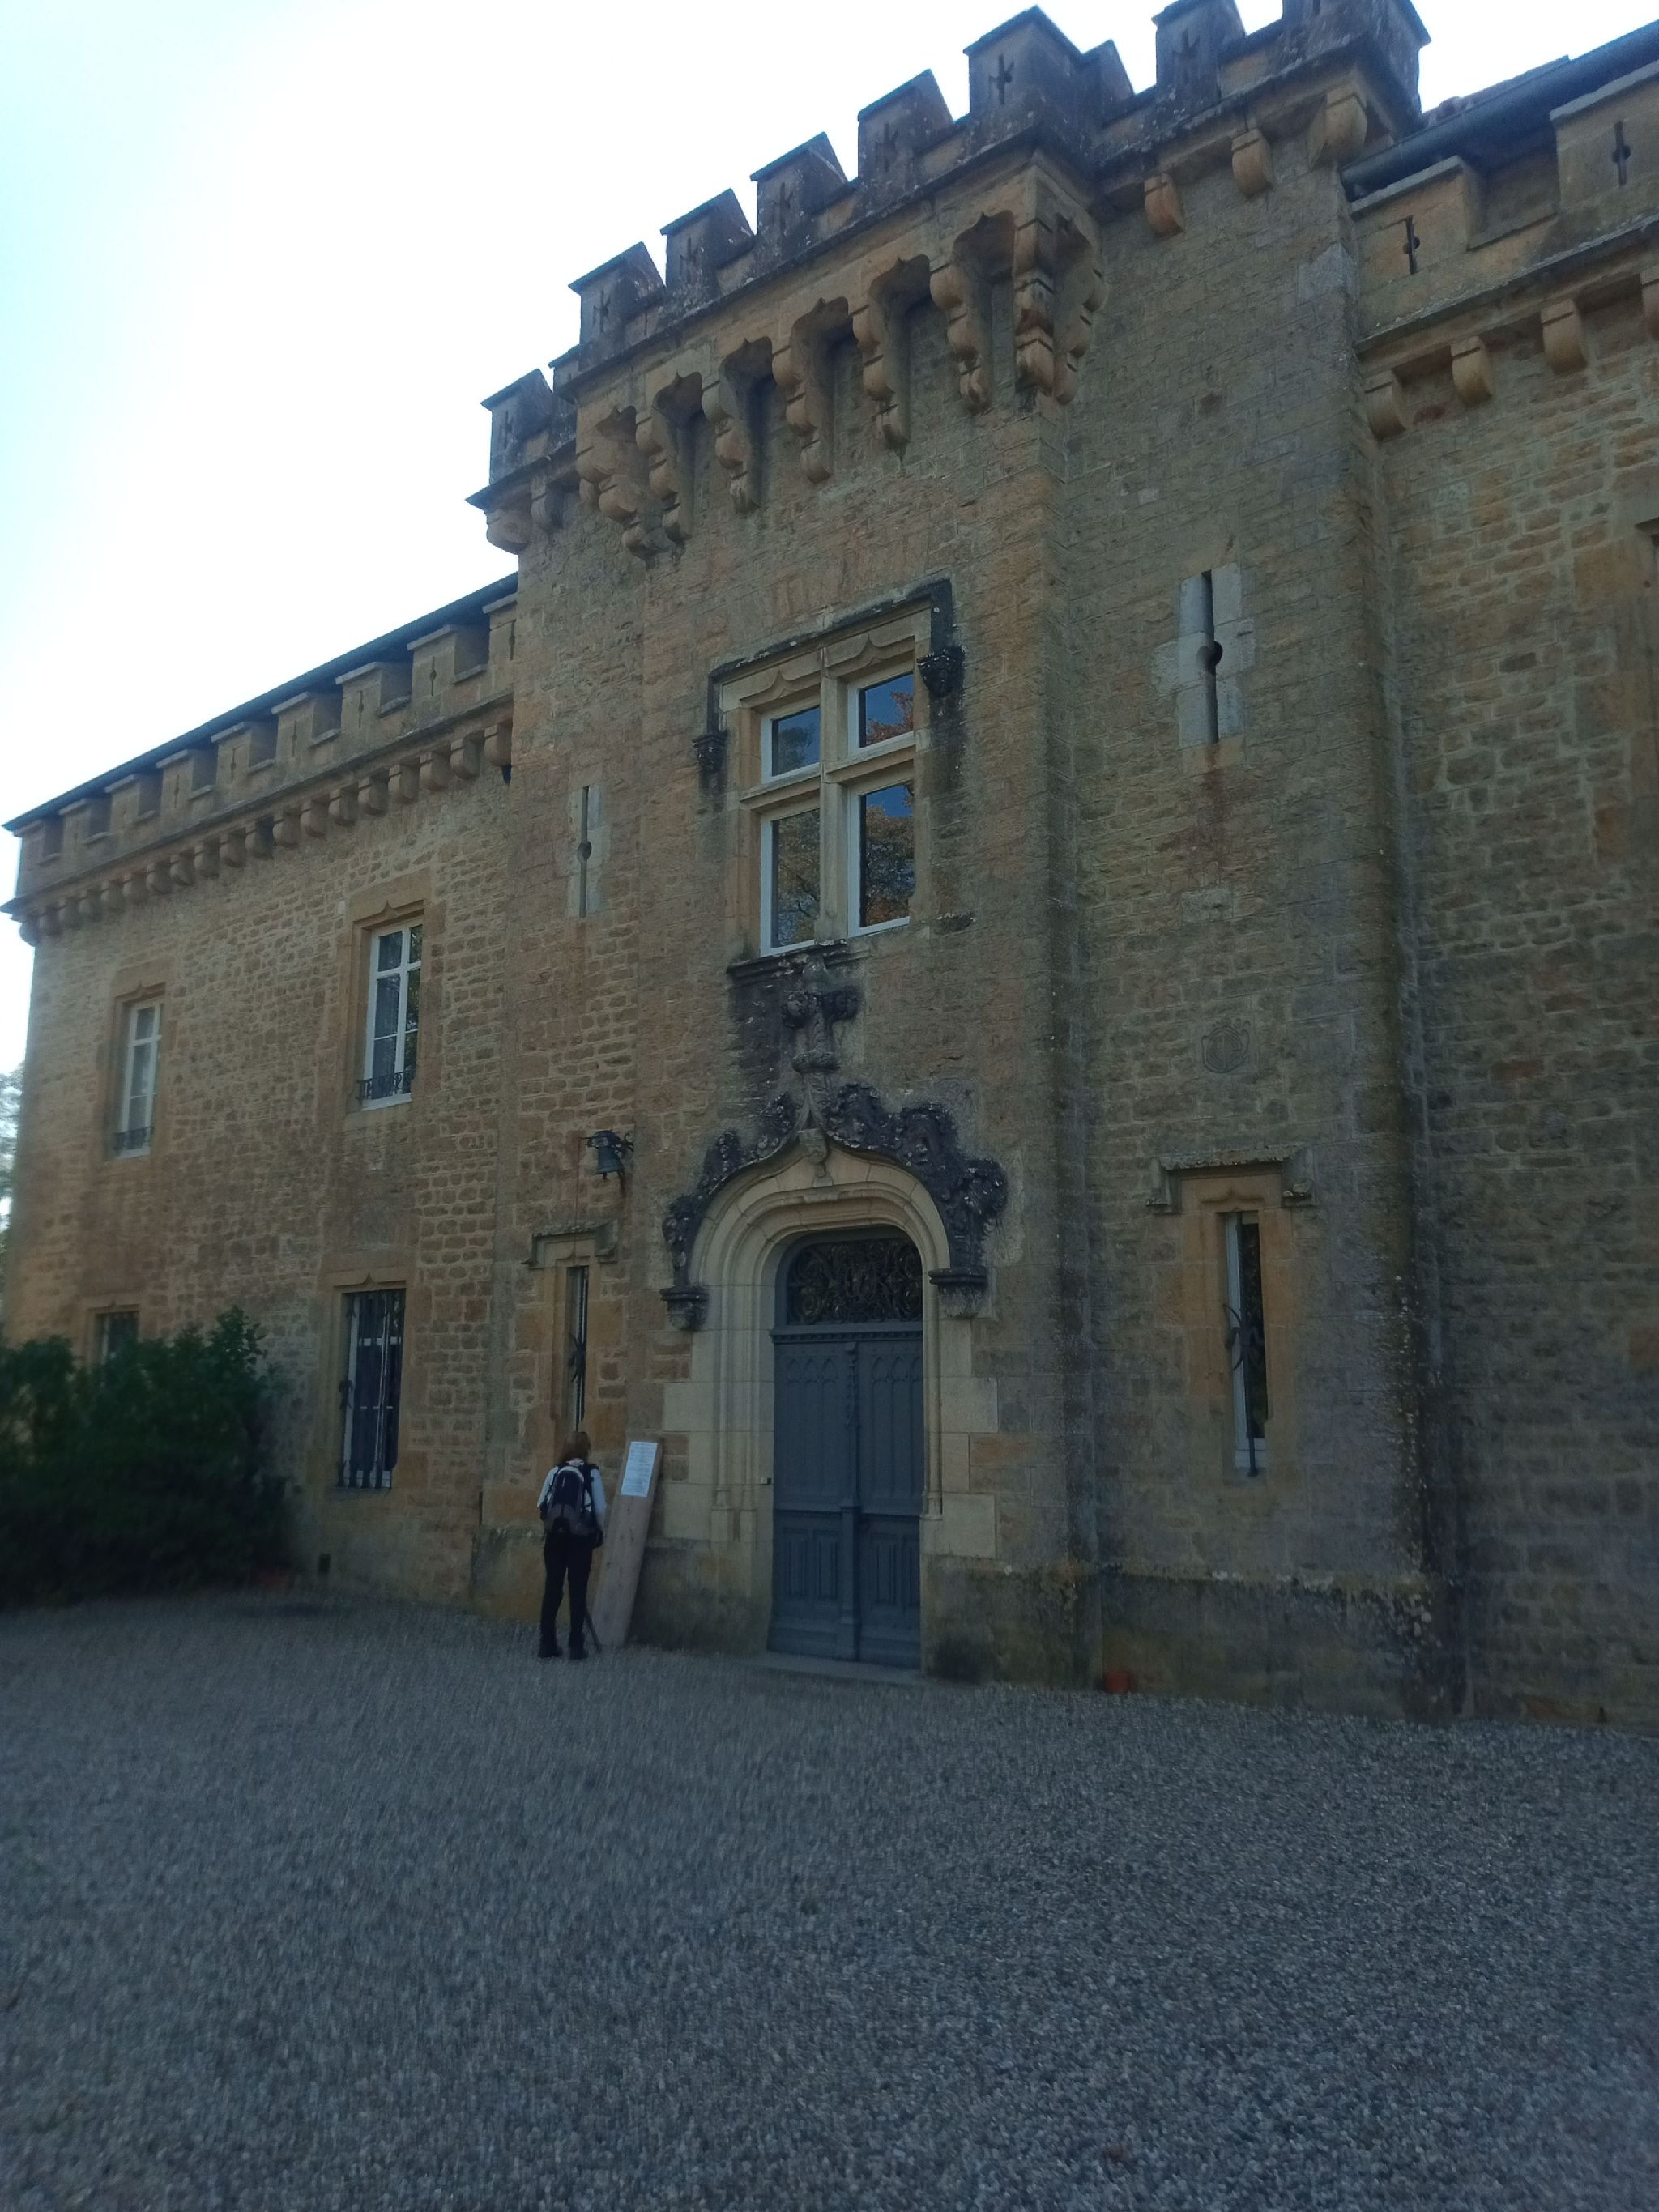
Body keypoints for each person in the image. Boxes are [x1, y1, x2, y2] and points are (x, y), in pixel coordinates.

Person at [536, 1430, 606, 1660]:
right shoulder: (591, 1473)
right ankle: (576, 1645)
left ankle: (547, 1643)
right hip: (580, 1539)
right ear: (586, 1450)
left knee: (552, 1588)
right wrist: (598, 1530)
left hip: (555, 1537)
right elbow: (600, 1508)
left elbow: (541, 1503)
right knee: (578, 1590)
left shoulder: (555, 1472)